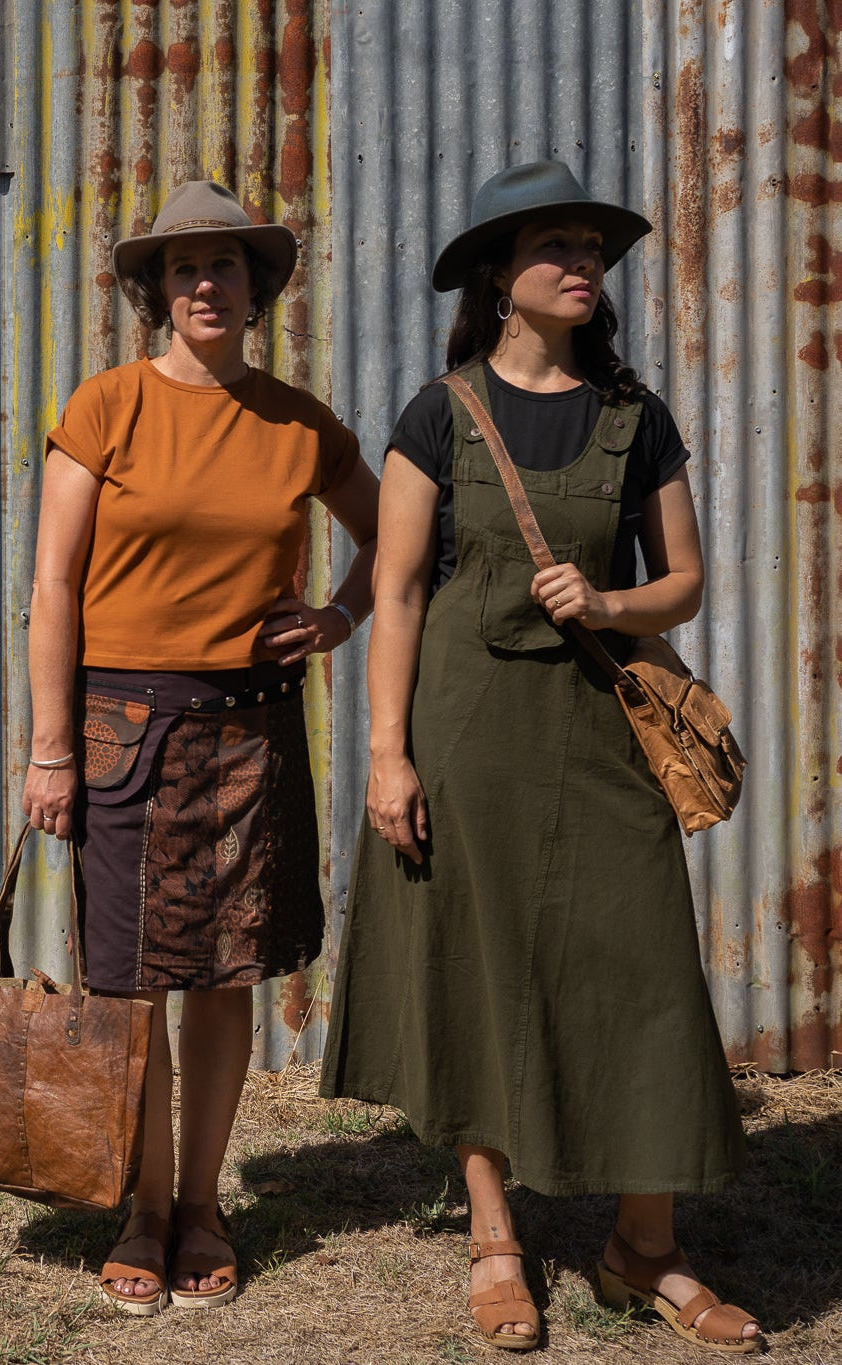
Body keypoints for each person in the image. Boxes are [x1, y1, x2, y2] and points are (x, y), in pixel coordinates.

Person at [320, 161, 762, 1355]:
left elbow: (687, 580)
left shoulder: (636, 414)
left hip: (598, 730)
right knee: (478, 962)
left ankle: (645, 1250)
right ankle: (495, 1239)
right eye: (554, 245)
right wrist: (386, 756)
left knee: (646, 970)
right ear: (496, 279)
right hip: (467, 733)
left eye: (593, 246)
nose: (583, 262)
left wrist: (614, 607)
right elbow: (399, 592)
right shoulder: (438, 412)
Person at [23, 179, 378, 1315]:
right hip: (125, 729)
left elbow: (394, 536)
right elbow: (53, 586)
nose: (206, 284)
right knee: (130, 988)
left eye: (225, 265)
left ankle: (206, 1209)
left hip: (250, 727)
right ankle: (143, 1206)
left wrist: (338, 615)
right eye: (184, 269)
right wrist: (49, 750)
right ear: (156, 293)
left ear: (256, 287)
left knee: (224, 984)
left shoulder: (297, 421)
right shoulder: (106, 406)